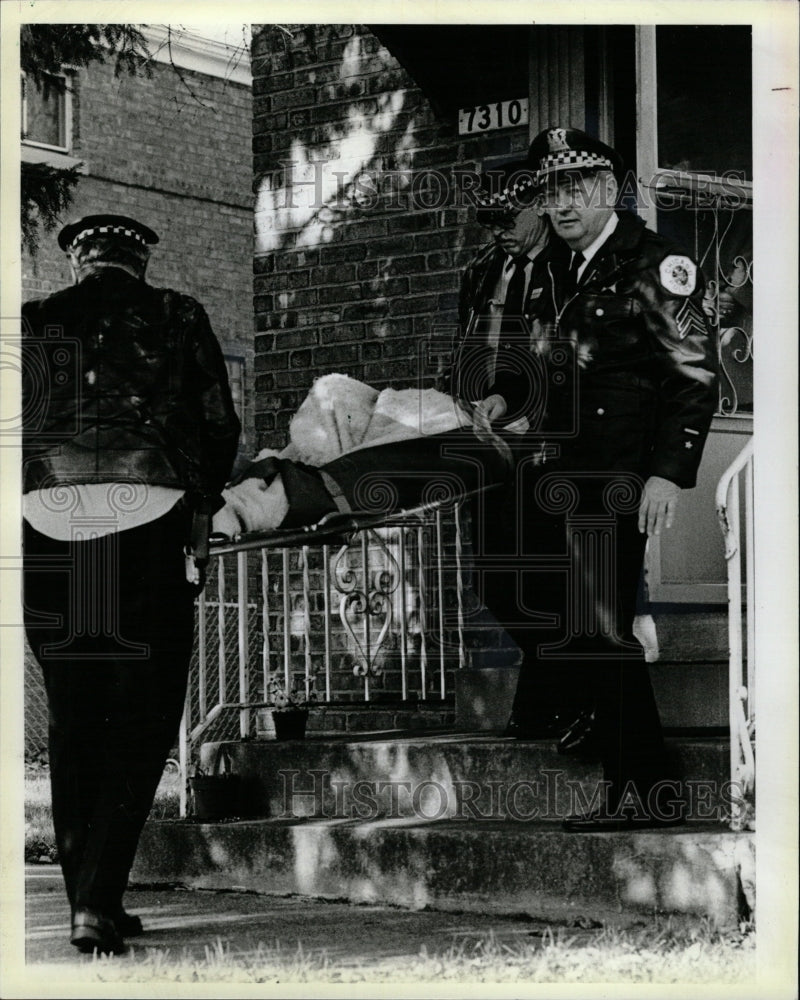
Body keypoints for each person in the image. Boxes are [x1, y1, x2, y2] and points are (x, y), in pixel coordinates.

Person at [22, 214, 241, 952]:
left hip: (49, 521)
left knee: (75, 719)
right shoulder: (177, 314)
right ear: (138, 263)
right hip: (144, 516)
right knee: (144, 715)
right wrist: (204, 505)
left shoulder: (33, 321)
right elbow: (217, 423)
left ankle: (91, 899)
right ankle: (98, 899)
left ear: (80, 264)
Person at [500, 127, 718, 830]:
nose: (561, 204)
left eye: (575, 188)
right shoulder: (549, 270)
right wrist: (504, 397)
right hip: (551, 470)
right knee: (517, 588)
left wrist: (666, 475)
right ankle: (591, 711)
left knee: (597, 626)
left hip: (618, 475)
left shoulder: (657, 263)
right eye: (550, 191)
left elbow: (692, 378)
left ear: (607, 190)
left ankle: (642, 787)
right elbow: (531, 362)